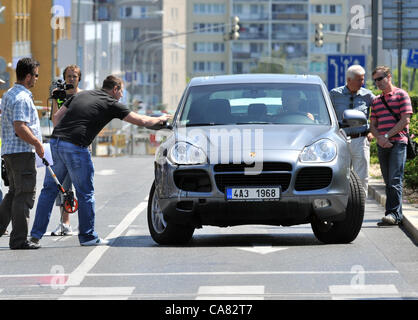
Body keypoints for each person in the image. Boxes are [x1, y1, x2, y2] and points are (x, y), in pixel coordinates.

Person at [30, 75, 170, 247]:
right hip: (76, 147)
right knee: (85, 193)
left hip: (56, 143)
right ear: (115, 89)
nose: (121, 96)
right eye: (121, 92)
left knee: (49, 190)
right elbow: (141, 120)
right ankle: (88, 237)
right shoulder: (110, 103)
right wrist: (162, 121)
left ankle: (35, 236)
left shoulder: (80, 95)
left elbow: (57, 118)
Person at [0, 57, 44, 249]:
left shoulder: (9, 94)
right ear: (27, 77)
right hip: (21, 152)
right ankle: (19, 240)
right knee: (24, 195)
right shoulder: (22, 98)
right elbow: (20, 127)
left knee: (13, 193)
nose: (36, 79)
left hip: (10, 151)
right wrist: (37, 144)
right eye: (35, 75)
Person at [370, 66, 413, 226]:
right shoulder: (376, 100)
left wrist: (387, 136)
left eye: (380, 79)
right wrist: (380, 138)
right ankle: (393, 213)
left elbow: (405, 120)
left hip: (398, 143)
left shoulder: (401, 95)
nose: (378, 83)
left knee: (395, 178)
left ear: (389, 77)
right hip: (383, 143)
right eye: (375, 80)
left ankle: (394, 214)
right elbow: (372, 124)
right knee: (388, 180)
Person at [329, 65, 375, 196]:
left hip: (361, 139)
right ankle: (344, 203)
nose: (363, 82)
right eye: (359, 80)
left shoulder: (368, 95)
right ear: (349, 80)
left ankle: (361, 204)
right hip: (340, 139)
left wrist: (372, 130)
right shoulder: (334, 94)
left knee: (362, 176)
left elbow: (379, 112)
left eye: (363, 79)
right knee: (341, 174)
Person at [50, 65, 83, 236]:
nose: (71, 79)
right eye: (68, 76)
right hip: (61, 145)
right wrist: (56, 99)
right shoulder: (60, 95)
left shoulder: (83, 96)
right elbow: (55, 120)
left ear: (79, 78)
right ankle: (64, 222)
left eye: (75, 76)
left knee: (82, 187)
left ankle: (85, 224)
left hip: (79, 146)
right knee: (63, 186)